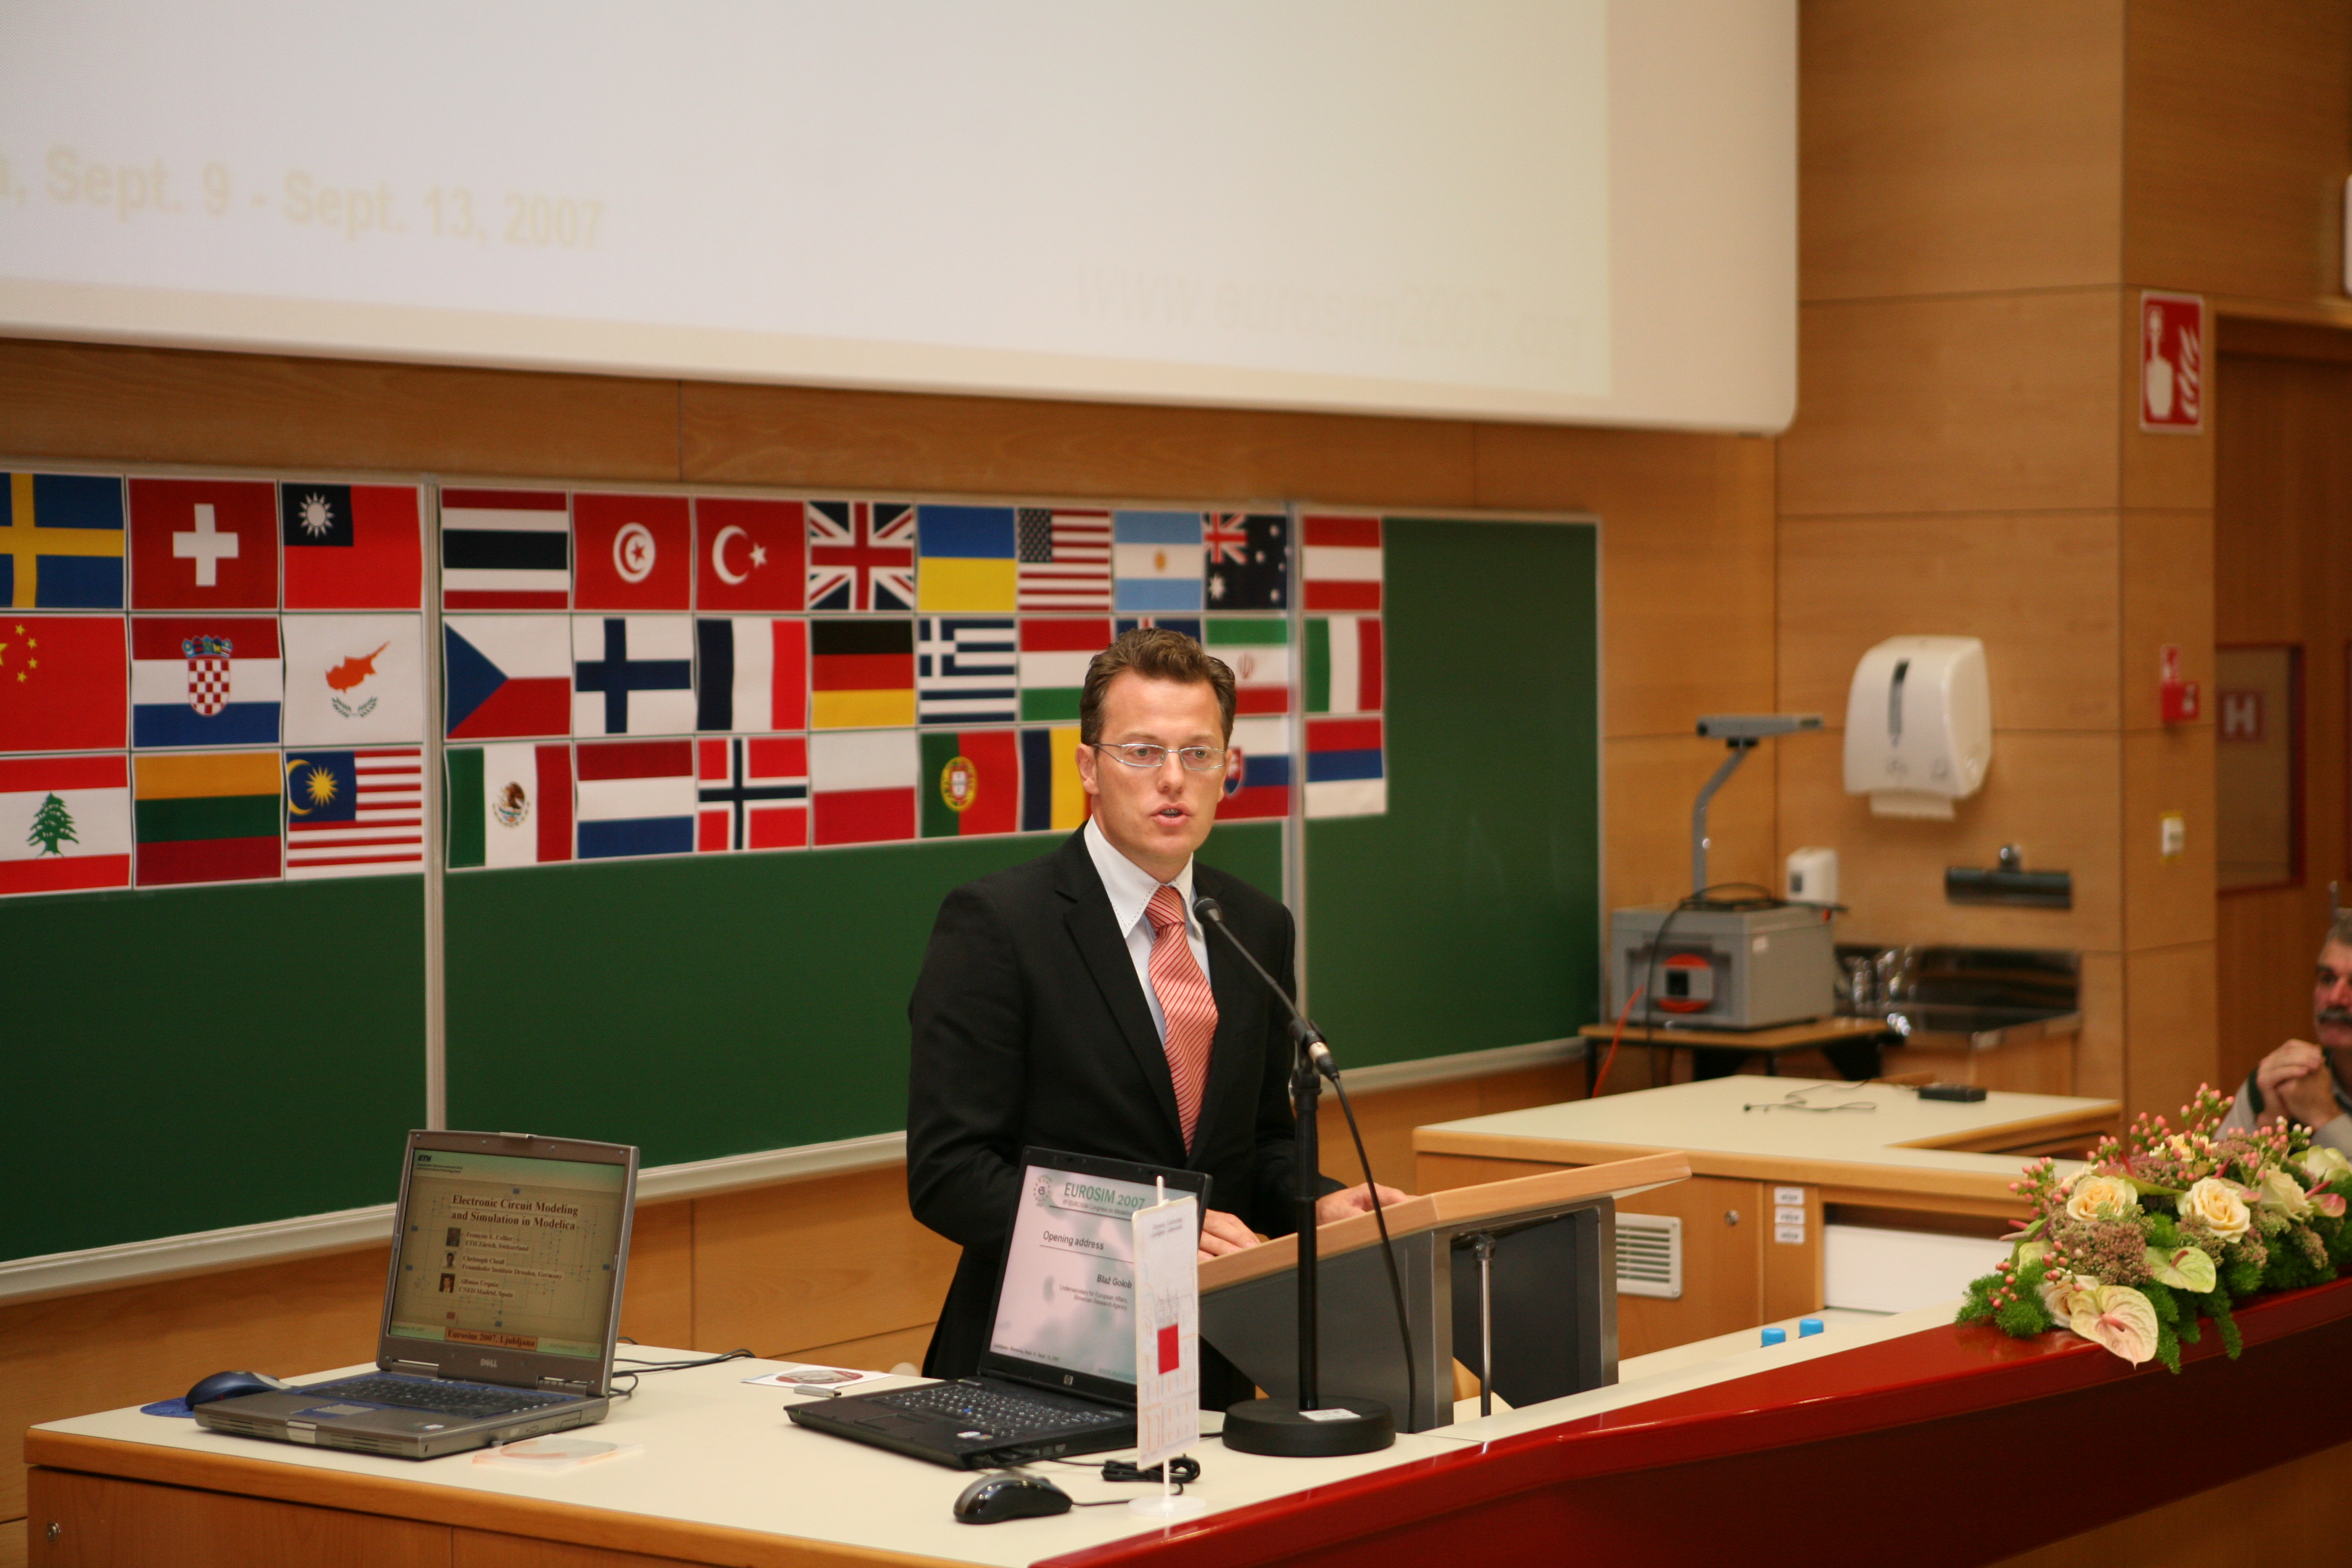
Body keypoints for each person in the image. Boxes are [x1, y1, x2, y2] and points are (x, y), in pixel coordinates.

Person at [906, 628, 1403, 1396]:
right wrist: (1141, 1233)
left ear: (1227, 770)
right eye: (1142, 752)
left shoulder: (1253, 925)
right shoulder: (999, 924)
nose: (1173, 778)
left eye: (1198, 753)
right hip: (1041, 1362)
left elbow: (1256, 1144)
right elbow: (950, 1173)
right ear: (1089, 768)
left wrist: (1317, 1203)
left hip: (1210, 1359)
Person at [2222, 913, 2352, 1156]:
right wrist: (2269, 1126)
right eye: (2328, 979)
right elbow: (2209, 1174)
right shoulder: (2288, 1078)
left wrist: (2325, 1117)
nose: (2336, 998)